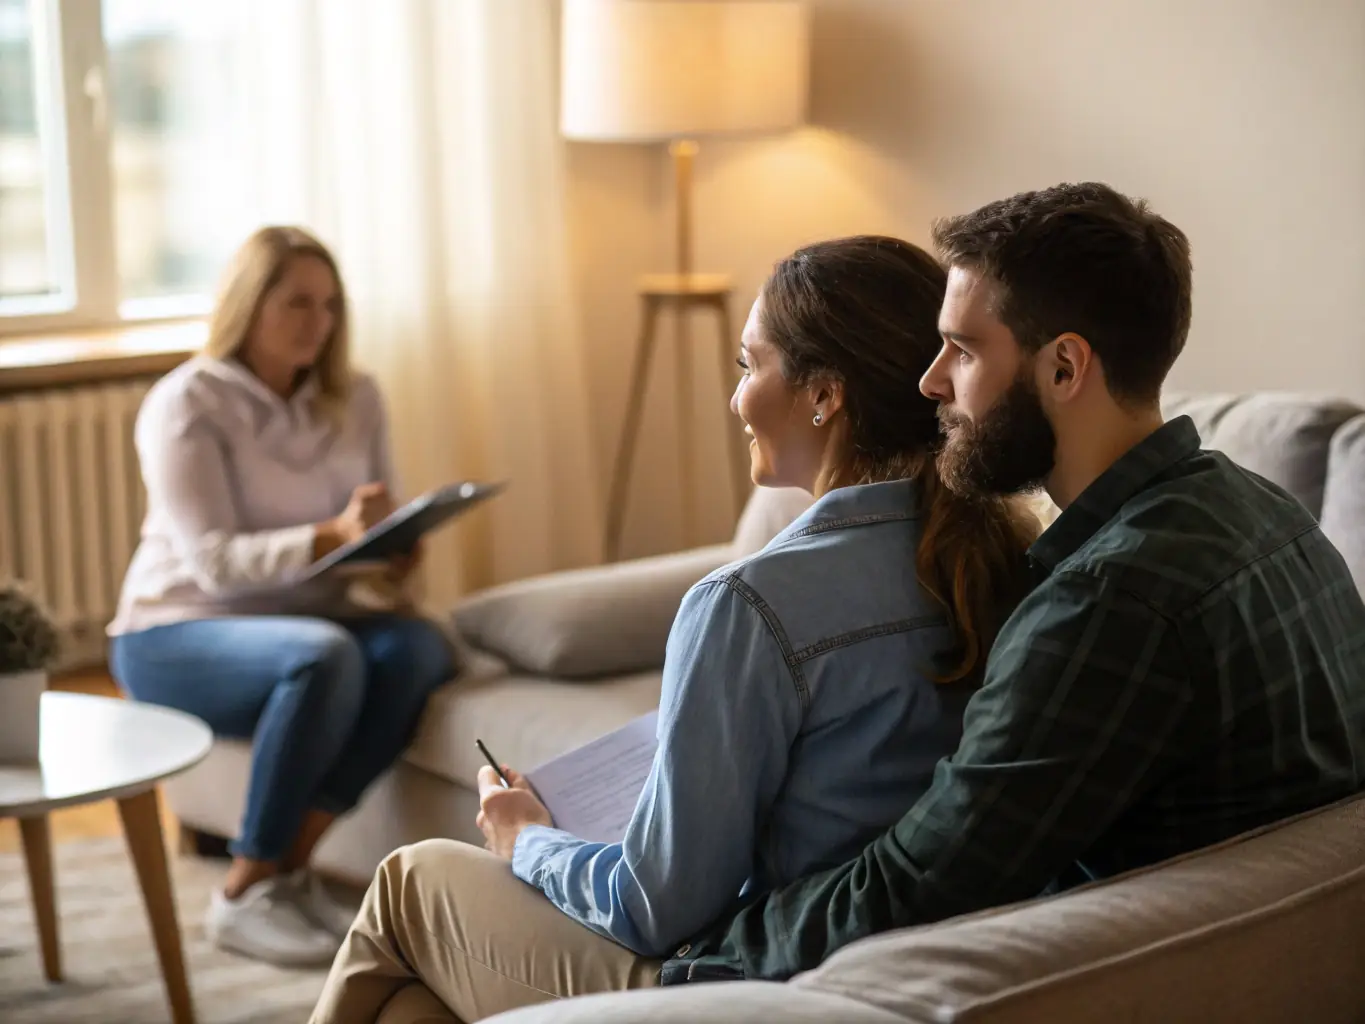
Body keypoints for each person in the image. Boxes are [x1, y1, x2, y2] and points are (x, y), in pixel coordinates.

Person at [307, 236, 1040, 1023]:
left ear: (824, 396)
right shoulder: (1009, 557)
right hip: (905, 964)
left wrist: (526, 841)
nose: (735, 399)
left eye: (747, 366)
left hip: (754, 982)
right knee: (408, 1008)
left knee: (411, 883)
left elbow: (655, 908)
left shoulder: (747, 603)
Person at [655, 182, 1365, 984]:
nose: (930, 383)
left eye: (962, 350)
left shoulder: (1106, 601)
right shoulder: (1262, 511)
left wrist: (699, 956)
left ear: (1063, 367)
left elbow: (913, 887)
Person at [108, 226, 456, 968]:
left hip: (306, 622)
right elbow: (212, 564)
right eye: (297, 301)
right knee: (325, 657)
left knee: (421, 647)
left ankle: (290, 871)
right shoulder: (187, 403)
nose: (317, 321)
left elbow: (368, 531)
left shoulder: (355, 396)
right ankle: (242, 890)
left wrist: (394, 554)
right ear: (248, 303)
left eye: (329, 305)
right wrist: (330, 535)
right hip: (176, 631)